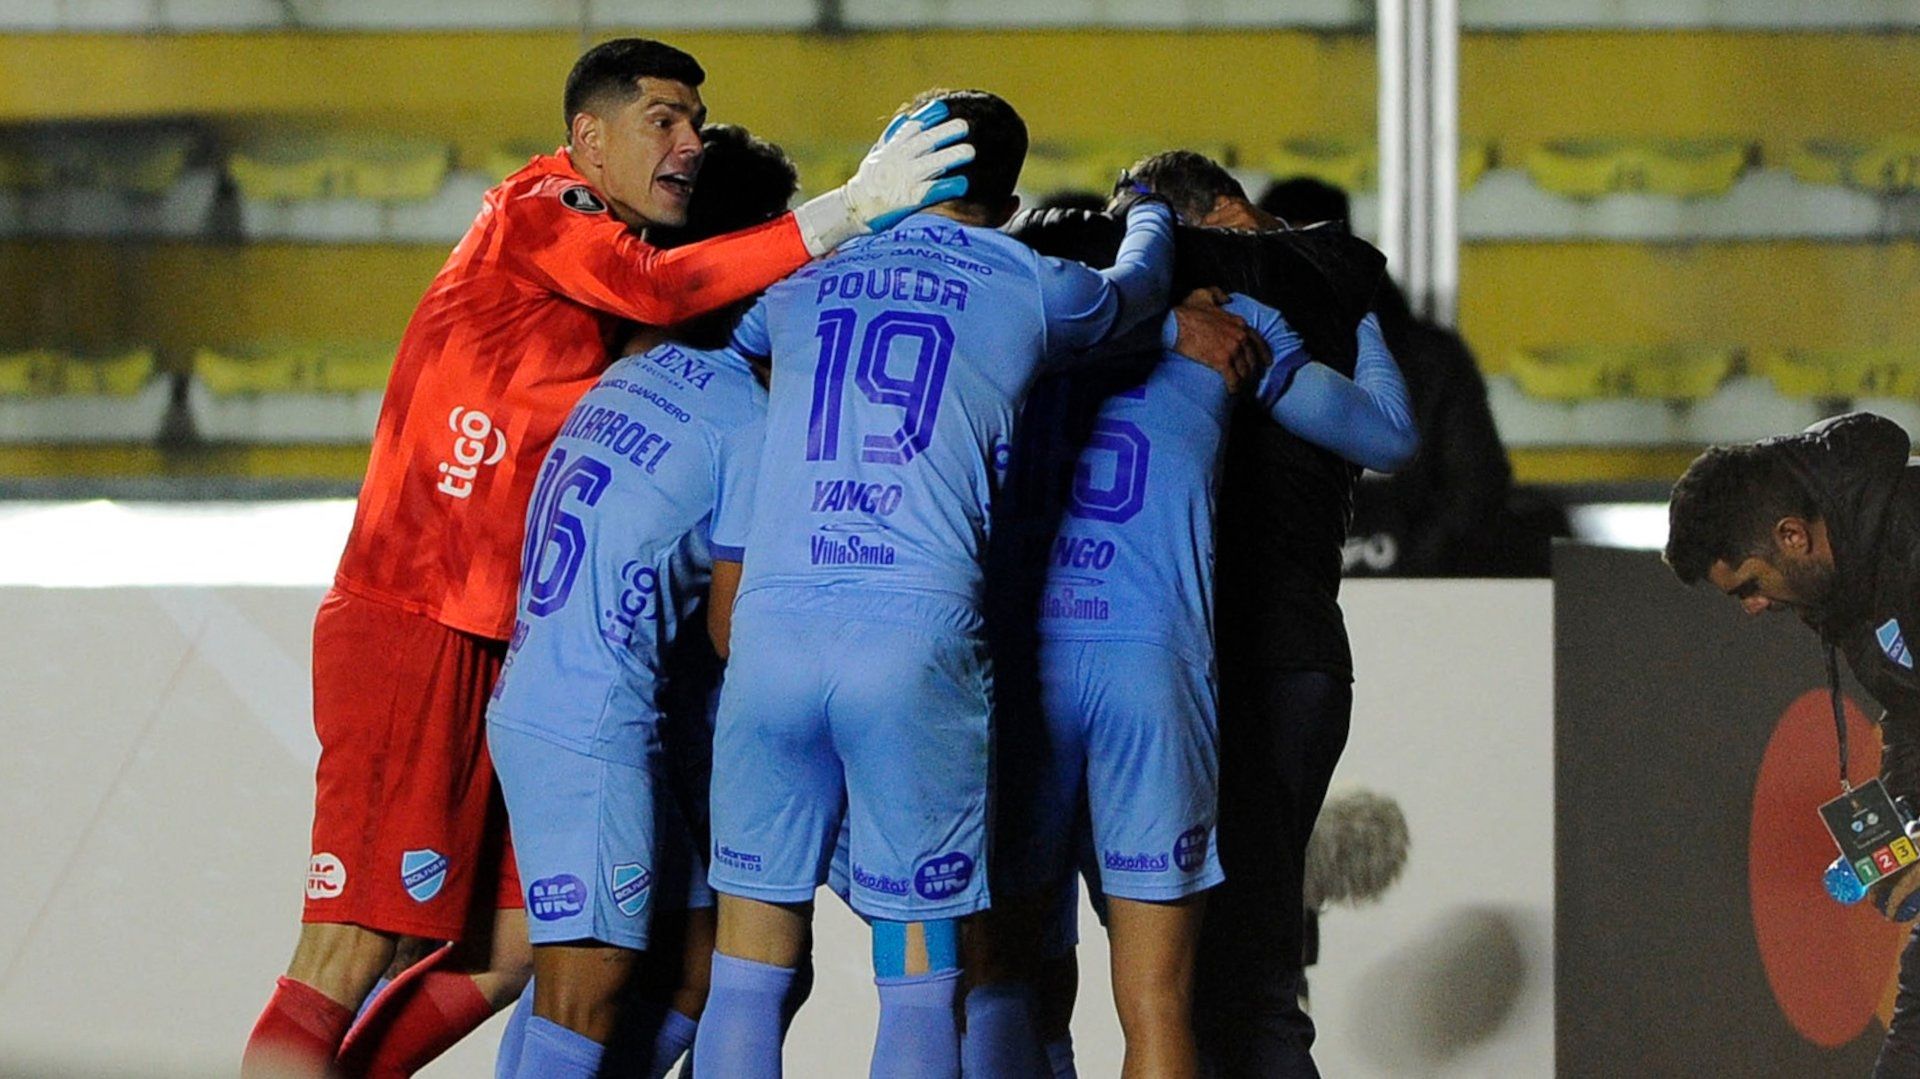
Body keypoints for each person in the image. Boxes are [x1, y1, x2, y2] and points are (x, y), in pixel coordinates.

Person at [240, 37, 975, 1077]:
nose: (688, 143)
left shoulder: (631, 327)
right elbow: (669, 293)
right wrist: (846, 213)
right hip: (414, 614)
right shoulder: (544, 210)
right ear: (588, 136)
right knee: (350, 946)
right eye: (662, 120)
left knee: (505, 952)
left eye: (696, 124)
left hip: (502, 641)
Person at [689, 88, 1193, 1079]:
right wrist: (1150, 217)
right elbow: (1137, 292)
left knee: (747, 966)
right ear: (1006, 202)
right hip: (913, 637)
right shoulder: (1029, 280)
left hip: (772, 631)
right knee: (919, 975)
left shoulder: (801, 283)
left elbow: (734, 345)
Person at [990, 167, 1414, 1078]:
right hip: (1180, 669)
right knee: (1193, 991)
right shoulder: (1228, 328)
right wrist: (1356, 306)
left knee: (1012, 977)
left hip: (1033, 667)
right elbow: (1384, 435)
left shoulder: (1018, 330)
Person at [481, 123, 796, 1079]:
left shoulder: (630, 369)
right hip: (593, 728)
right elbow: (732, 626)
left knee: (692, 966)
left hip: (559, 701)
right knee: (587, 991)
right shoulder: (748, 417)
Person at [1124, 151, 1380, 1079]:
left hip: (1242, 655)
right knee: (1242, 965)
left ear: (1215, 215)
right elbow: (1392, 428)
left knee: (1235, 979)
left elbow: (1069, 272)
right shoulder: (1344, 280)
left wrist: (1163, 297)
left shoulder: (1220, 290)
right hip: (1304, 648)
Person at [1665, 411, 1920, 1078]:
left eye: (1749, 585)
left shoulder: (1910, 545)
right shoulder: (1846, 586)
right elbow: (1913, 710)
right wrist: (1902, 825)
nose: (1752, 607)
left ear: (1792, 535)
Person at [1259, 176, 1535, 579]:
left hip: (1421, 606)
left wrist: (1409, 567)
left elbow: (1477, 486)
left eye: (1310, 245)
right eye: (1281, 251)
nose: (1299, 267)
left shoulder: (1428, 359)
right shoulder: (1239, 353)